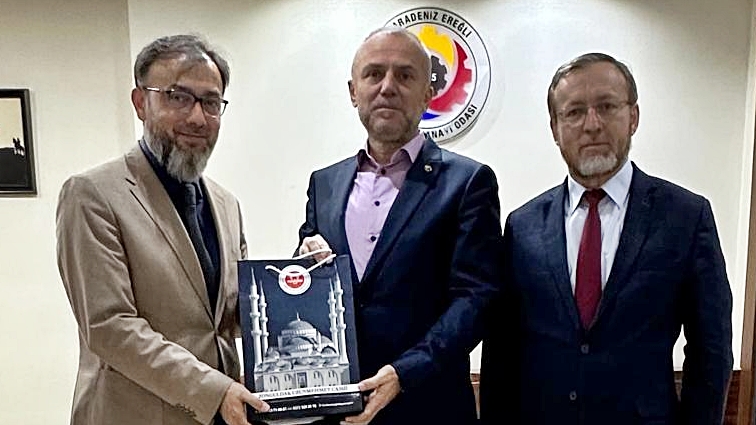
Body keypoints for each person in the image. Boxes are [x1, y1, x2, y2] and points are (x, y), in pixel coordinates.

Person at [479, 52, 733, 424]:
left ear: (633, 117)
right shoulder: (523, 225)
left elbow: (711, 349)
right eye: (574, 112)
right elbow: (501, 351)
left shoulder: (686, 217)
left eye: (607, 106)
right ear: (555, 129)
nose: (592, 124)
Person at [56, 34, 269, 425]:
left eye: (211, 102)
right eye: (178, 97)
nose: (197, 118)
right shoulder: (92, 195)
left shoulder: (226, 204)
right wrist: (214, 391)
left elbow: (230, 313)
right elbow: (110, 327)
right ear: (141, 103)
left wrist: (302, 280)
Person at [295, 27, 501, 425]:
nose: (387, 87)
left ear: (427, 94)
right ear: (353, 91)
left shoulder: (468, 182)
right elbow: (310, 284)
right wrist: (301, 267)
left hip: (429, 407)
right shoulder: (324, 184)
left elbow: (476, 299)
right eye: (374, 74)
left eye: (405, 75)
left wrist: (405, 372)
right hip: (338, 411)